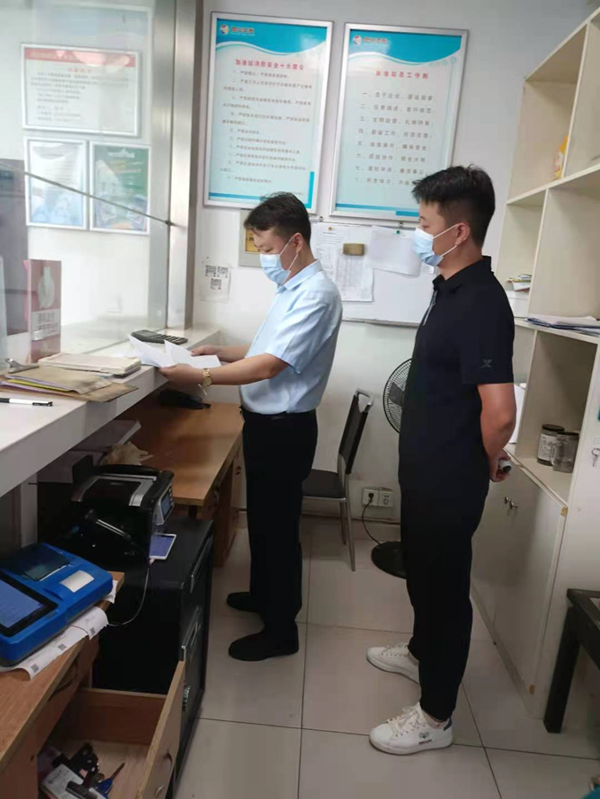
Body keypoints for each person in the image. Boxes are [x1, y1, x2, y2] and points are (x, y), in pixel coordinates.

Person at [367, 166, 516, 755]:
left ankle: (436, 716)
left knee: (445, 589)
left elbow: (499, 412)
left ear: (459, 231)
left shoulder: (482, 301)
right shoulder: (448, 288)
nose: (417, 234)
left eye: (425, 224)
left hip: (450, 478)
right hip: (426, 470)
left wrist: (485, 459)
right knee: (423, 575)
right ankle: (419, 652)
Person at [160, 192, 342, 661]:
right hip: (268, 427)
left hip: (285, 431)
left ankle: (281, 631)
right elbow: (264, 347)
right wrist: (218, 354)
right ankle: (264, 597)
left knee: (277, 531)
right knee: (262, 522)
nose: (263, 258)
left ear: (295, 242)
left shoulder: (317, 295)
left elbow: (269, 366)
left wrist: (199, 376)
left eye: (265, 248)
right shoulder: (292, 290)